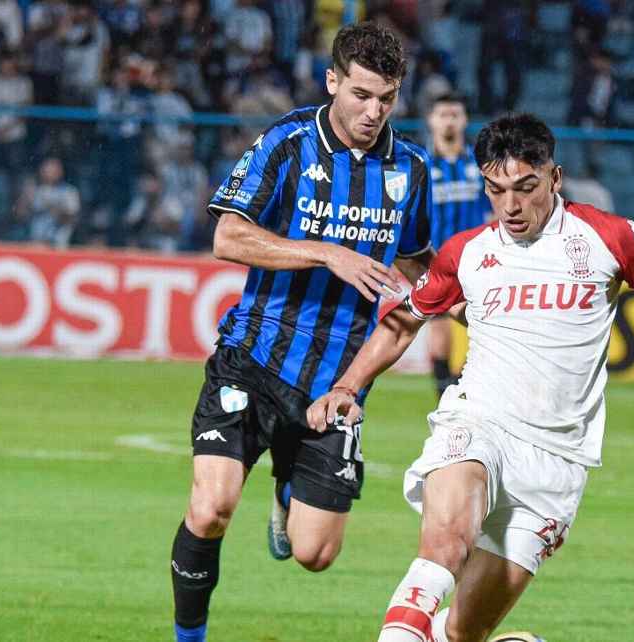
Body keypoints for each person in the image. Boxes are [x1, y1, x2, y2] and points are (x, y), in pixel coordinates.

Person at [307, 113, 634, 642]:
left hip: (556, 461)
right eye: (495, 189)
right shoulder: (468, 252)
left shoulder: (607, 237)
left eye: (525, 187)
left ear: (555, 177)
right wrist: (347, 385)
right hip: (478, 423)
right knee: (444, 546)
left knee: (463, 633)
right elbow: (405, 319)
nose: (510, 206)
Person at [169, 22, 434, 642]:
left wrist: (441, 293)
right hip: (253, 359)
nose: (373, 112)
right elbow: (227, 236)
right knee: (211, 509)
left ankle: (288, 487)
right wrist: (326, 253)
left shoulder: (411, 168)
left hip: (336, 383)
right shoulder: (287, 143)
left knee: (315, 553)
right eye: (361, 94)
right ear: (332, 81)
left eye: (387, 98)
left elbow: (417, 265)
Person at [423, 92, 490, 397]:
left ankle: (463, 381)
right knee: (438, 322)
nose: (449, 121)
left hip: (478, 260)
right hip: (436, 259)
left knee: (485, 325)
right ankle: (443, 390)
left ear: (464, 120)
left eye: (455, 114)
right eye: (443, 115)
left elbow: (494, 209)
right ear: (431, 120)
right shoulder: (422, 164)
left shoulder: (480, 164)